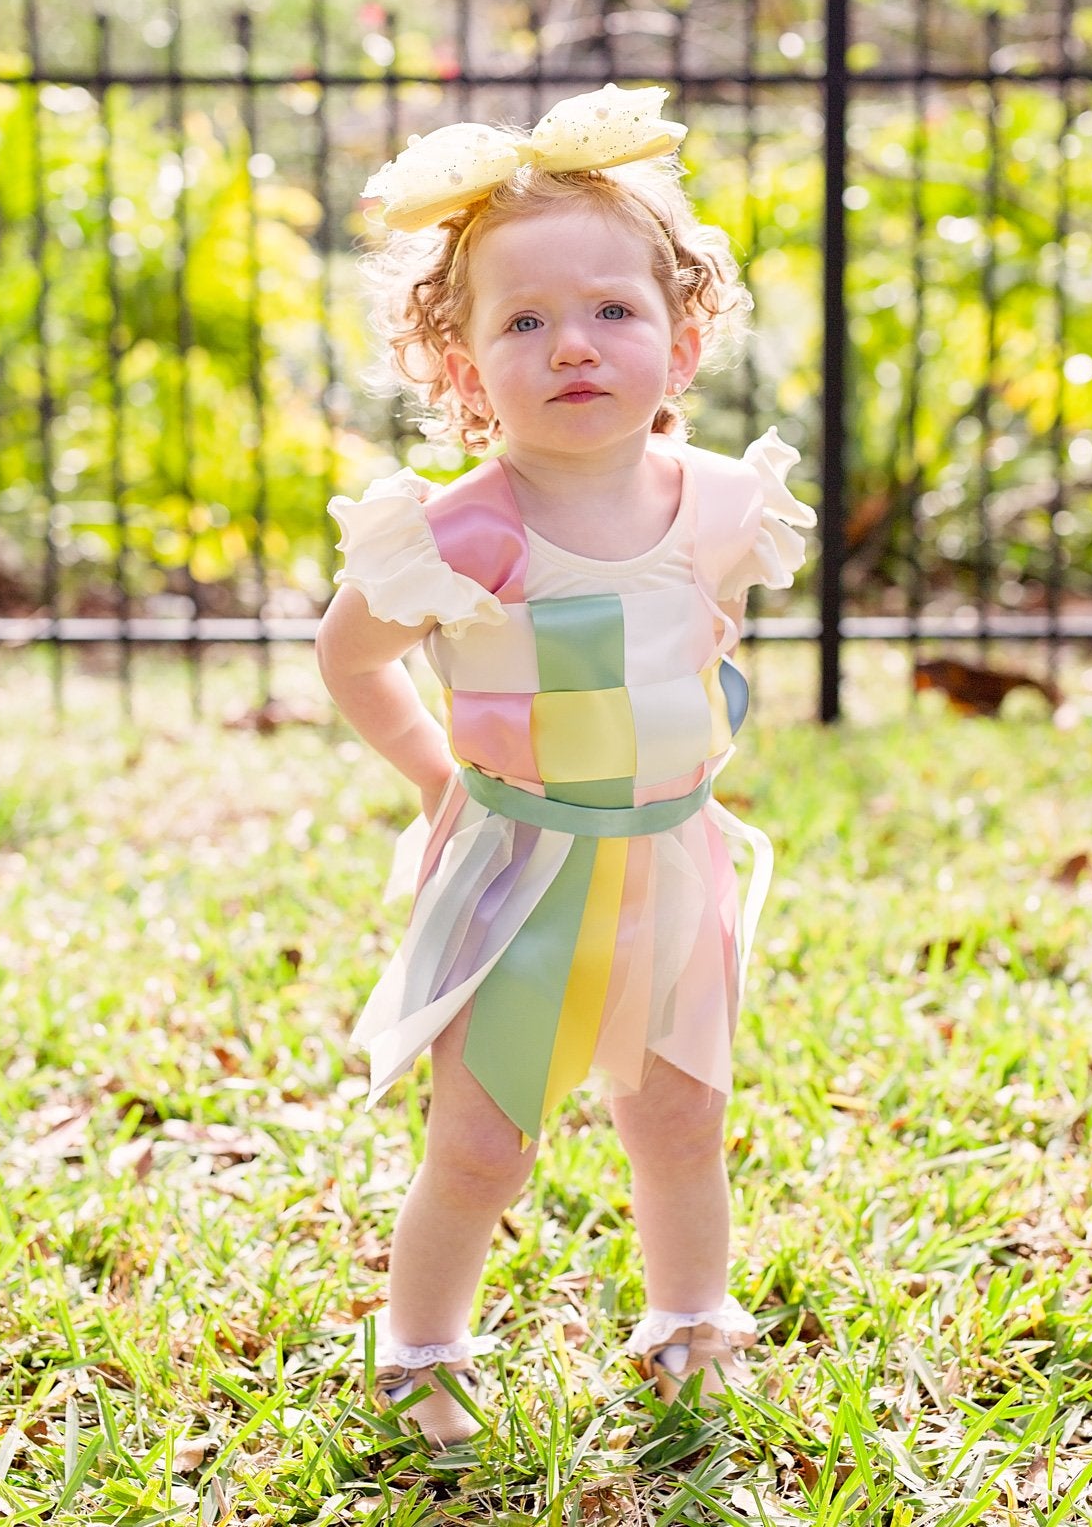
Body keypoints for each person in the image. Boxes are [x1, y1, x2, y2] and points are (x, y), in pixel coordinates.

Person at [316, 84, 816, 1446]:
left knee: (680, 1118)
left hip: (670, 861)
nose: (573, 344)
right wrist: (436, 775)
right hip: (520, 875)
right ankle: (421, 1349)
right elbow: (351, 660)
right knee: (484, 1140)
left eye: (611, 309)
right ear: (464, 370)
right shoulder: (463, 532)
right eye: (523, 322)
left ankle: (690, 1326)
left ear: (682, 339)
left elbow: (696, 649)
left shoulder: (721, 504)